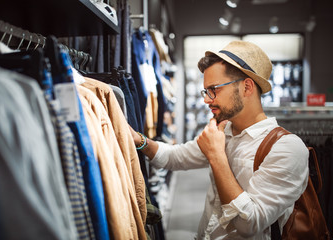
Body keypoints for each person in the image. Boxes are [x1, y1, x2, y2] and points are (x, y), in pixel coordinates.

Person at [130, 40, 309, 239]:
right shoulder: (225, 132)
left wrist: (215, 155)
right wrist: (139, 140)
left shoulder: (287, 149)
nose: (206, 99)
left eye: (214, 89)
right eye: (206, 91)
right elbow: (175, 157)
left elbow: (249, 223)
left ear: (247, 87)